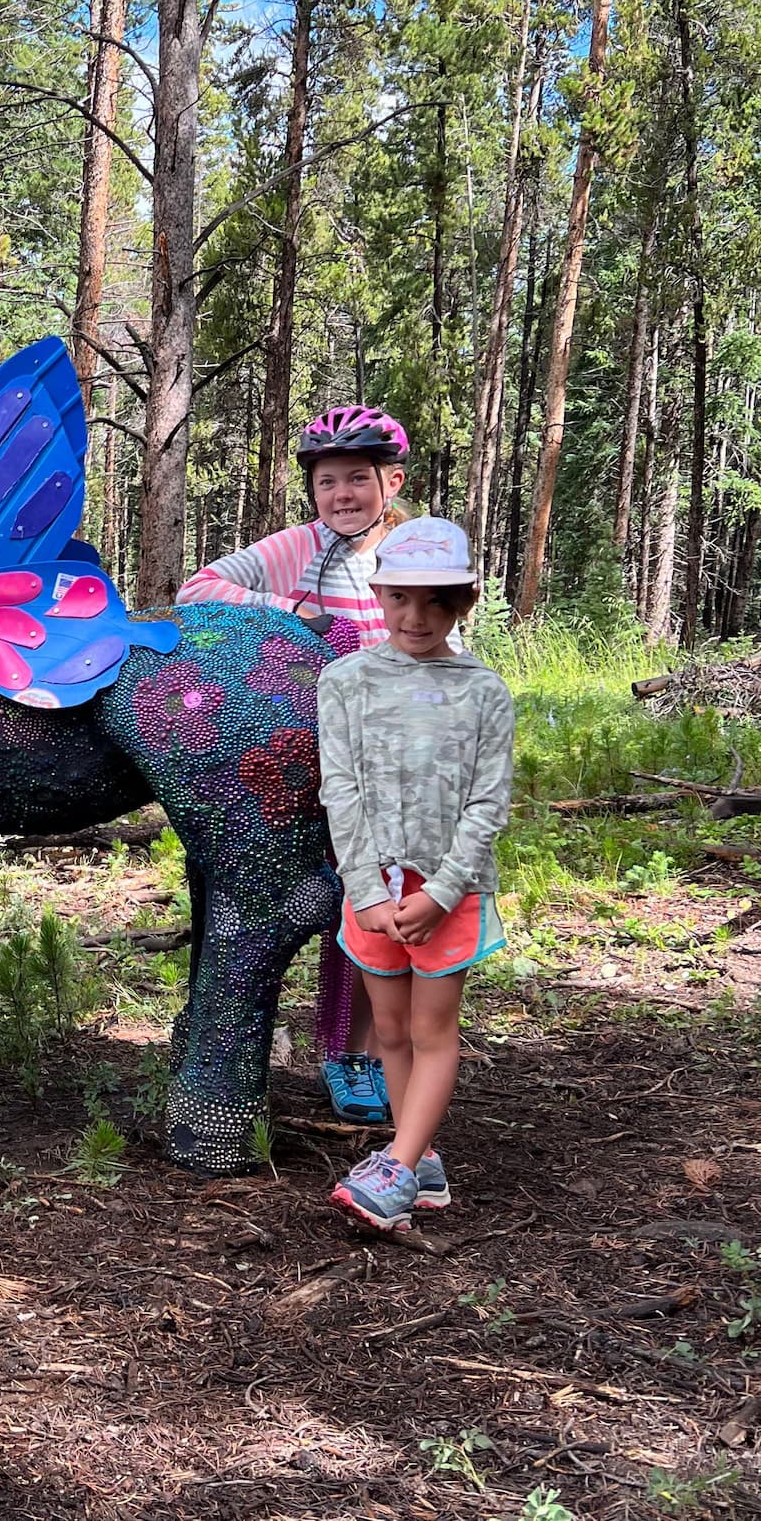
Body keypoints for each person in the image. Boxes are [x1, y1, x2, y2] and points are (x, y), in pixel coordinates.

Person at [176, 405, 413, 1125]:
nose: (342, 495)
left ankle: (376, 1048)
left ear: (391, 481)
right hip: (322, 758)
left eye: (358, 481)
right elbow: (200, 588)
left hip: (402, 753)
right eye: (327, 482)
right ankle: (342, 1052)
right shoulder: (300, 546)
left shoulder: (414, 547)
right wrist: (296, 615)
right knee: (345, 894)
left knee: (392, 900)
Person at [318, 518, 515, 1232]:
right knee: (391, 1028)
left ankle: (397, 1166)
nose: (416, 617)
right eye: (401, 598)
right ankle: (419, 1158)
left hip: (445, 891)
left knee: (433, 1027)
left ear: (462, 603)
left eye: (436, 602)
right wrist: (365, 889)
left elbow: (489, 800)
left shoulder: (483, 691)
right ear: (379, 595)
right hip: (374, 891)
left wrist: (442, 889)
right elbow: (338, 787)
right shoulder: (345, 681)